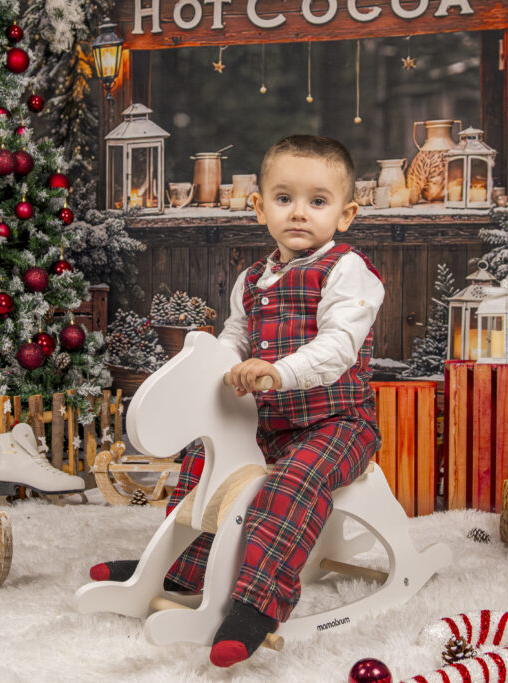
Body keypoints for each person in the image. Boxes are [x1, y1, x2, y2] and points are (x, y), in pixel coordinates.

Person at [89, 134, 385, 667]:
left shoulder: (347, 271)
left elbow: (339, 346)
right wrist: (220, 369)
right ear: (260, 206)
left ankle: (257, 604)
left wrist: (277, 372)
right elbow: (236, 335)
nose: (300, 213)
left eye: (318, 202)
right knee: (206, 459)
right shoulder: (252, 278)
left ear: (346, 214)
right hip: (267, 421)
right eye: (284, 198)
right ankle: (180, 567)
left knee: (290, 481)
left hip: (336, 422)